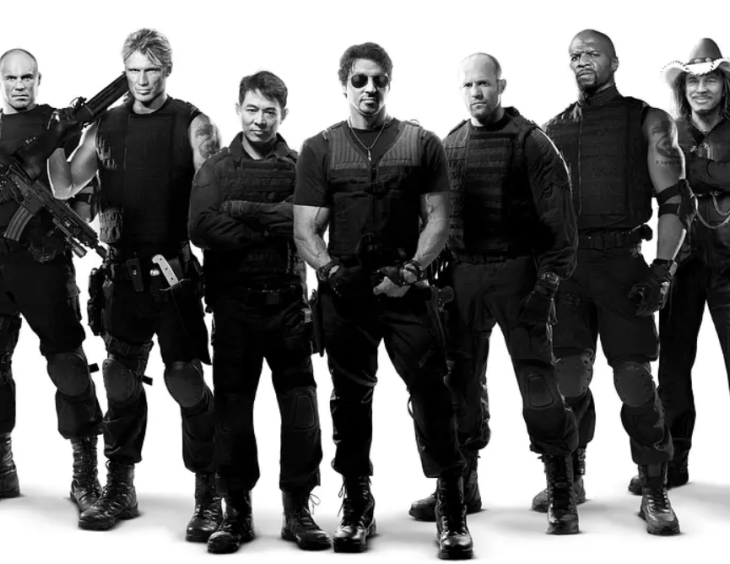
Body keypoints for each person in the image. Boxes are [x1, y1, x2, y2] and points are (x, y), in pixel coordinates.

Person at [293, 42, 473, 559]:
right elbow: (305, 228)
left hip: (406, 288)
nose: (369, 89)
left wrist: (412, 271)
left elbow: (439, 218)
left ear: (389, 83)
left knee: (433, 393)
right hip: (346, 293)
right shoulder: (320, 147)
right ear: (344, 84)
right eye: (360, 80)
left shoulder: (422, 143)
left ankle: (452, 504)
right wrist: (330, 273)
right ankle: (357, 502)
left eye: (379, 80)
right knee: (349, 400)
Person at [49, 28, 222, 537]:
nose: (142, 80)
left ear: (167, 70)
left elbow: (214, 195)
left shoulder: (194, 123)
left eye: (151, 70)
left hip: (173, 273)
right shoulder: (105, 124)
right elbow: (65, 185)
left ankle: (209, 493)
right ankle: (119, 487)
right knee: (119, 379)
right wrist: (55, 140)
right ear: (123, 71)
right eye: (133, 70)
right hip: (121, 275)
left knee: (185, 380)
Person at [406, 53, 581, 535]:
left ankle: (561, 488)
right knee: (458, 384)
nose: (476, 92)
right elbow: (436, 219)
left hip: (518, 273)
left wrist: (548, 284)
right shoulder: (450, 144)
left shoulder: (531, 142)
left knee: (538, 383)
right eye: (468, 85)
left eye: (483, 83)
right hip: (463, 276)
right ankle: (462, 484)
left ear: (500, 85)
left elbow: (560, 221)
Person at [537, 29, 693, 536]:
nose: (583, 60)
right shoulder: (552, 129)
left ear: (614, 61)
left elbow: (676, 201)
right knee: (567, 378)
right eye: (575, 55)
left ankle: (654, 487)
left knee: (633, 380)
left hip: (623, 264)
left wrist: (662, 269)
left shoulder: (648, 120)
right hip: (568, 270)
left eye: (593, 53)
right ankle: (568, 478)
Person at [0, 48, 103, 513]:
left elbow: (86, 184)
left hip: (45, 262)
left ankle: (85, 476)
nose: (20, 85)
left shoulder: (56, 125)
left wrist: (72, 220)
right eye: (11, 78)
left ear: (38, 79)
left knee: (67, 364)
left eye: (27, 77)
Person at [626, 38, 730, 517]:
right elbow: (650, 184)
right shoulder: (668, 129)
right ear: (683, 89)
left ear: (725, 86)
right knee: (672, 370)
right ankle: (673, 463)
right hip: (679, 263)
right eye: (692, 81)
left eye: (709, 79)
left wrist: (690, 168)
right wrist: (717, 172)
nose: (700, 88)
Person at [187, 70, 330, 554]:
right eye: (252, 109)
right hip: (233, 308)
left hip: (287, 306)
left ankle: (297, 510)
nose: (260, 120)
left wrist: (239, 210)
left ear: (283, 114)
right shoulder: (216, 167)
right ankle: (237, 513)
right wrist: (273, 221)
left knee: (301, 410)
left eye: (270, 111)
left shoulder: (301, 164)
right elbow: (200, 227)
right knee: (231, 413)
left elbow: (309, 221)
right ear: (238, 110)